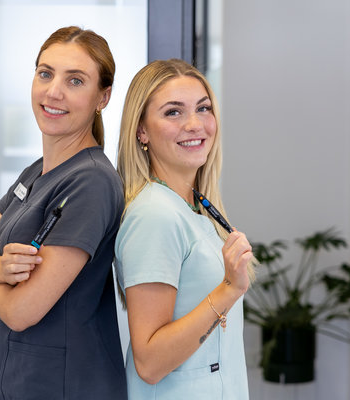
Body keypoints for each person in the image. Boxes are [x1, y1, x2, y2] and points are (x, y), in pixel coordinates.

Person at [0, 26, 127, 400]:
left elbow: (21, 312)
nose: (53, 91)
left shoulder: (91, 182)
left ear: (102, 97)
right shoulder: (35, 172)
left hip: (67, 384)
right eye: (45, 73)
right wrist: (2, 268)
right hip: (18, 378)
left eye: (75, 80)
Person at [115, 59, 255, 399]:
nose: (195, 124)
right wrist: (228, 289)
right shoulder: (154, 215)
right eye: (173, 112)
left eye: (203, 108)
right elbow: (150, 362)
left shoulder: (192, 206)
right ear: (142, 131)